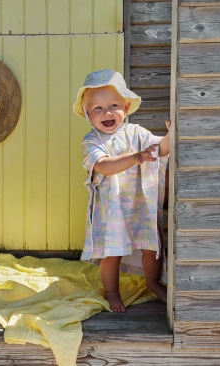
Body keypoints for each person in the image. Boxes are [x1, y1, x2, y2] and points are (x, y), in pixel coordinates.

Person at [74, 69, 170, 312]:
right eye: (97, 108)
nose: (107, 112)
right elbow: (105, 167)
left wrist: (172, 134)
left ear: (125, 108)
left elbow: (160, 150)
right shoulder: (92, 141)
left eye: (113, 105)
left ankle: (152, 282)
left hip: (140, 201)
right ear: (87, 114)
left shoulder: (137, 133)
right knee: (112, 254)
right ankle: (111, 292)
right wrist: (136, 157)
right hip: (112, 208)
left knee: (151, 248)